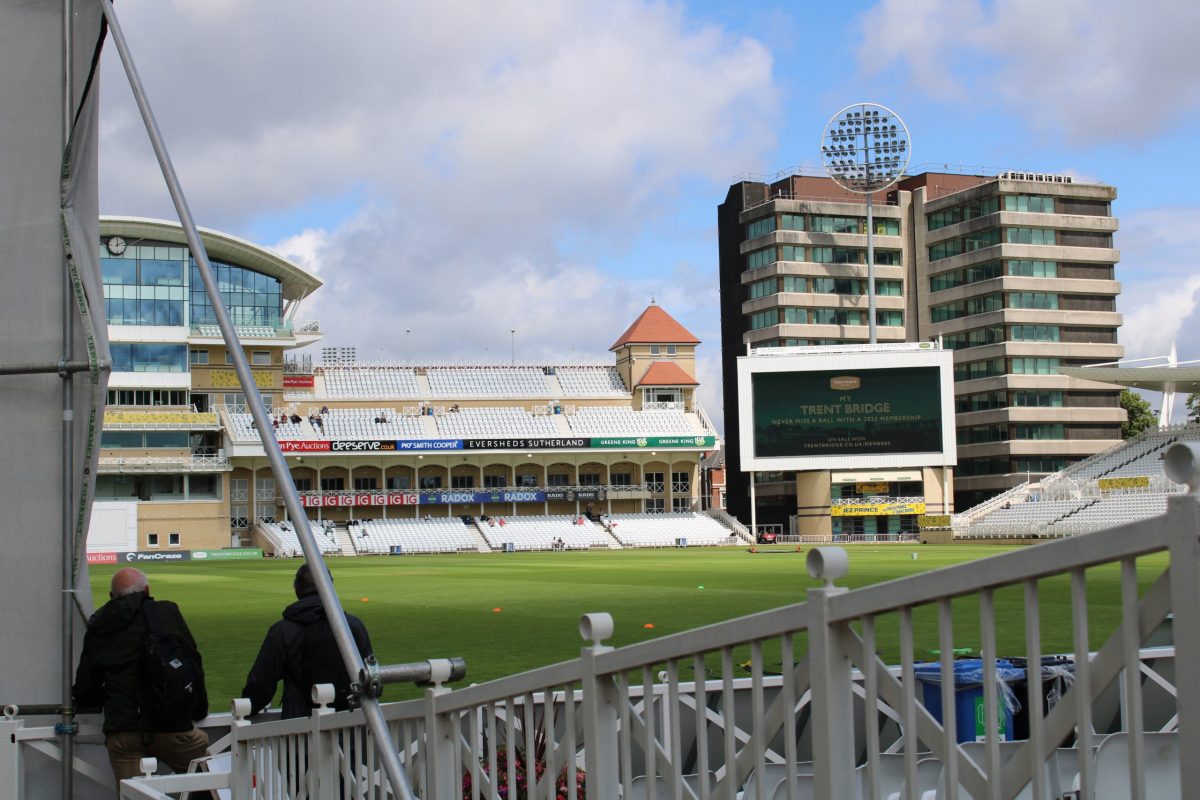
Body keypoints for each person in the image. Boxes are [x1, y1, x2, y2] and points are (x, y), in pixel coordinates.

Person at [73, 568, 210, 782]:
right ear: (147, 590)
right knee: (211, 787)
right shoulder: (166, 612)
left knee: (131, 795)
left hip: (123, 731)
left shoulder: (99, 623)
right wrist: (199, 710)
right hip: (172, 727)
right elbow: (193, 662)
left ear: (111, 596)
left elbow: (85, 687)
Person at [241, 563, 374, 719]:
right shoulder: (353, 625)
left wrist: (243, 711)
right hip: (350, 725)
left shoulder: (282, 631)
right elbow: (370, 677)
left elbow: (261, 685)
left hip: (300, 726)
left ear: (297, 589)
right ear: (329, 587)